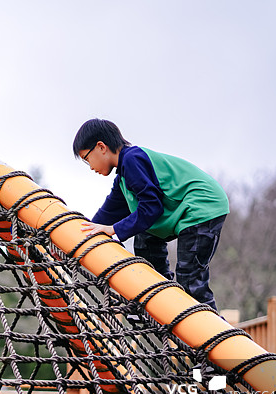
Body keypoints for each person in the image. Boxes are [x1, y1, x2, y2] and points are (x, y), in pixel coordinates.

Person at [73, 118, 229, 310]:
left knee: (190, 280)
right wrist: (78, 239)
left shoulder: (132, 160)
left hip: (202, 205)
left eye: (87, 158)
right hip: (186, 209)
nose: (90, 167)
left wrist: (113, 229)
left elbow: (151, 208)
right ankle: (159, 299)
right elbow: (106, 215)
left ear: (101, 147)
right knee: (144, 240)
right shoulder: (123, 178)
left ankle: (208, 325)